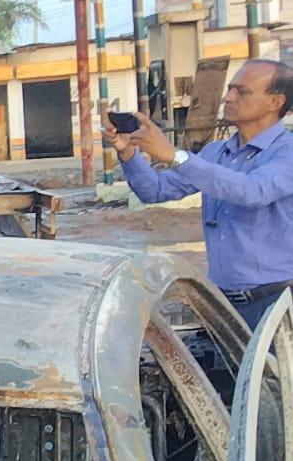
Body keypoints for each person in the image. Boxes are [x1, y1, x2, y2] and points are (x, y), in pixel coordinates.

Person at [109, 58, 293, 327]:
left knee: (274, 370)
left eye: (242, 92)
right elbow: (155, 190)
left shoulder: (286, 152)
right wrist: (127, 153)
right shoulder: (216, 153)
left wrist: (174, 156)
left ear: (275, 102)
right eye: (229, 89)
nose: (228, 98)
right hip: (221, 301)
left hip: (276, 302)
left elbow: (254, 191)